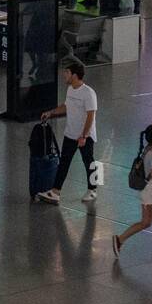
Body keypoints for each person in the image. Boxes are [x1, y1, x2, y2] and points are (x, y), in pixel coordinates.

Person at [35, 60, 99, 204]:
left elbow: (91, 116)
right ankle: (56, 191)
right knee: (64, 162)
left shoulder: (88, 93)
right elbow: (66, 106)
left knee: (90, 162)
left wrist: (84, 135)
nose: (64, 75)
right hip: (70, 134)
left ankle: (93, 189)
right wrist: (51, 112)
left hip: (85, 136)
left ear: (75, 75)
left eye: (67, 72)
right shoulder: (70, 89)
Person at [112, 123, 152, 262]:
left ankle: (119, 240)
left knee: (146, 222)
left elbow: (151, 169)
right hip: (151, 191)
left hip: (145, 191)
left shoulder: (149, 149)